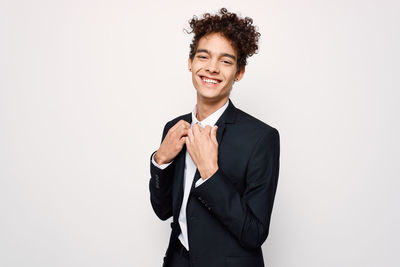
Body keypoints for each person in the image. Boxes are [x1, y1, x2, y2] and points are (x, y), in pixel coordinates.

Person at [149, 8, 280, 267]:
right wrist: (160, 160)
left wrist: (210, 173)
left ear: (239, 72)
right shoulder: (173, 128)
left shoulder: (261, 138)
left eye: (226, 61)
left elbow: (254, 234)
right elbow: (163, 211)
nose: (211, 68)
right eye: (203, 56)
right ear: (190, 62)